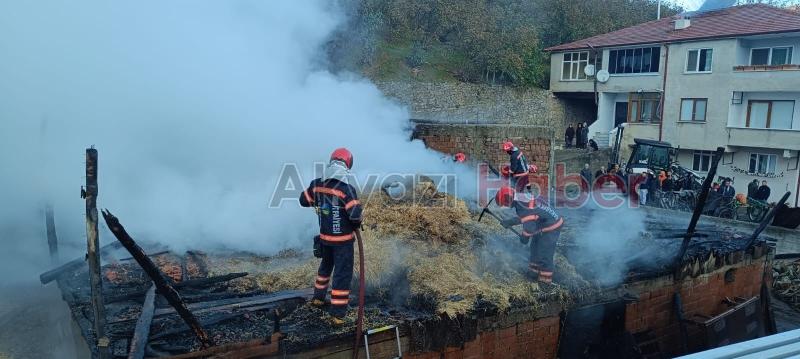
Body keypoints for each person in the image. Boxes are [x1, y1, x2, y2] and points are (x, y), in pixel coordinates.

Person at [299, 148, 363, 326]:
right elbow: (355, 215)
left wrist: (320, 201)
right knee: (342, 275)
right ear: (348, 165)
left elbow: (303, 200)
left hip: (325, 239)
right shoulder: (346, 189)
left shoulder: (317, 184)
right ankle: (338, 315)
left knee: (325, 268)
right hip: (342, 242)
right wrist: (355, 223)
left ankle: (318, 299)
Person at [495, 186, 563, 284]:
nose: (506, 206)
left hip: (552, 226)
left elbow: (529, 225)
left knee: (545, 253)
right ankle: (533, 273)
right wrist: (510, 222)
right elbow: (526, 217)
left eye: (504, 204)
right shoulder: (520, 198)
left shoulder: (522, 205)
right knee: (534, 247)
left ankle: (545, 282)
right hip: (541, 223)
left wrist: (525, 237)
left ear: (507, 200)